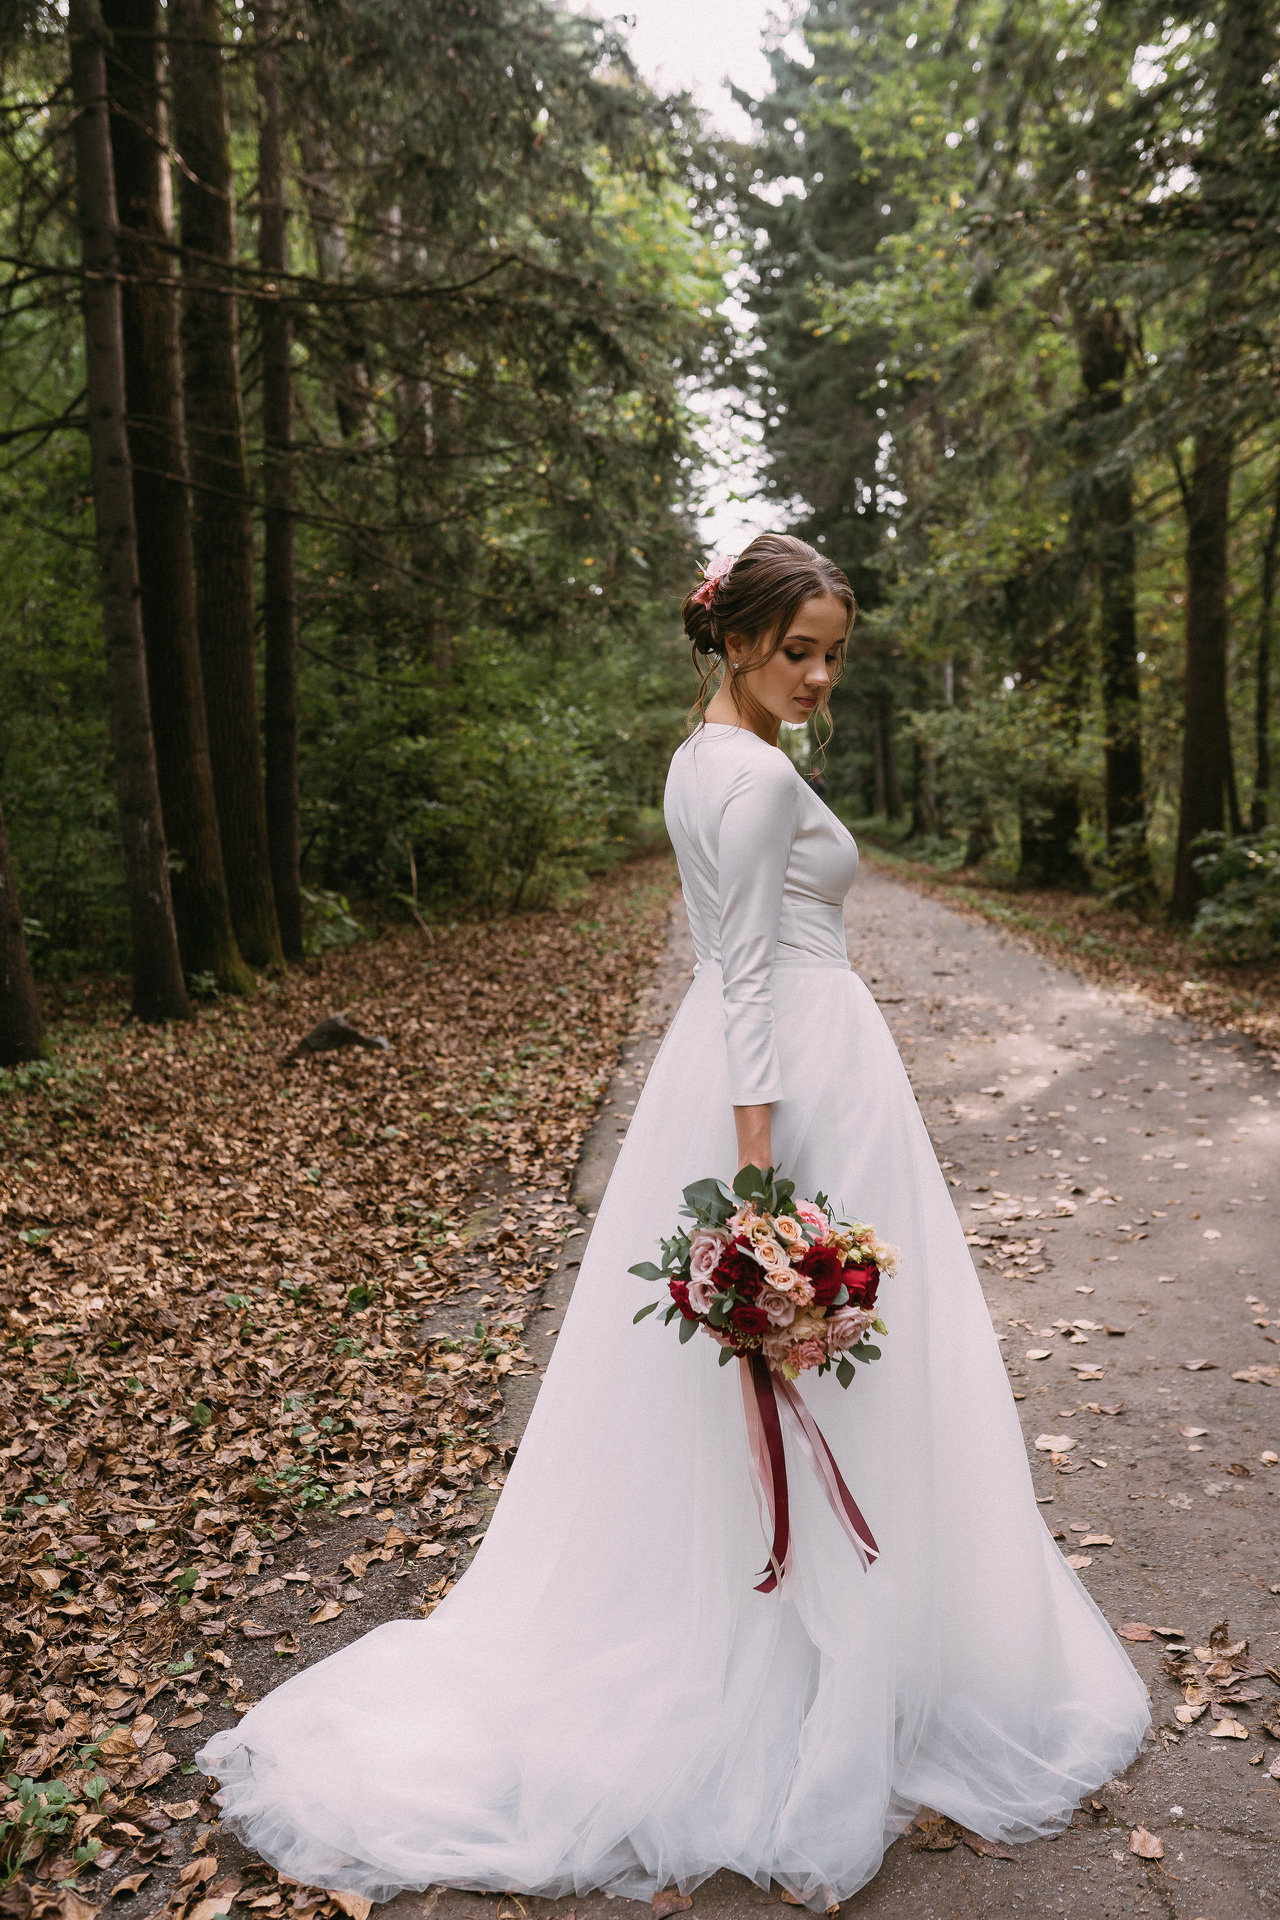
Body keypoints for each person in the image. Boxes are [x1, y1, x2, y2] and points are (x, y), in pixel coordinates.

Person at [199, 533, 1148, 1909]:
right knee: (819, 1358)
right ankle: (811, 1676)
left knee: (792, 1387)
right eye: (798, 649)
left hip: (744, 1068)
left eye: (835, 652)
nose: (819, 674)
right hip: (792, 1084)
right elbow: (755, 980)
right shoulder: (756, 778)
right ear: (738, 639)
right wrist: (762, 1194)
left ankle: (820, 1643)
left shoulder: (704, 755)